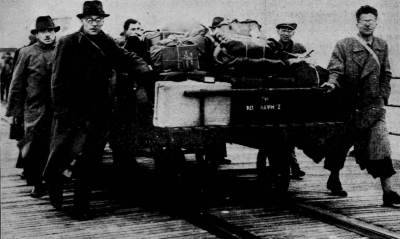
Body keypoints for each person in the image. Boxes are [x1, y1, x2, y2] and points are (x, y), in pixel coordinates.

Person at [43, 1, 152, 219]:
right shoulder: (68, 42)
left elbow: (123, 56)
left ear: (103, 21)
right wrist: (63, 111)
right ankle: (54, 185)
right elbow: (57, 79)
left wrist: (144, 67)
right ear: (82, 21)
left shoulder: (106, 41)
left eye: (99, 20)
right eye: (90, 20)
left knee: (89, 161)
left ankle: (81, 207)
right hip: (72, 111)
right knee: (63, 156)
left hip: (100, 111)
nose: (95, 24)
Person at [321, 5, 400, 206]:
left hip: (373, 106)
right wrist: (331, 82)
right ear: (357, 23)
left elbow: (386, 74)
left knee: (381, 146)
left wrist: (383, 97)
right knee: (339, 145)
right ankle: (334, 177)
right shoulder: (344, 45)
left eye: (371, 20)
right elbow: (335, 69)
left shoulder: (382, 45)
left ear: (376, 22)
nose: (367, 23)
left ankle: (389, 191)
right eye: (363, 20)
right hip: (349, 105)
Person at [6, 16, 59, 198]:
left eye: (50, 31)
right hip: (34, 111)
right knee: (33, 149)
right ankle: (37, 183)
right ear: (36, 34)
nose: (47, 35)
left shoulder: (62, 50)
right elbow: (17, 84)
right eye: (43, 32)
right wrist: (16, 114)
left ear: (55, 33)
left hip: (58, 111)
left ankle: (53, 183)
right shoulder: (26, 53)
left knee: (56, 148)